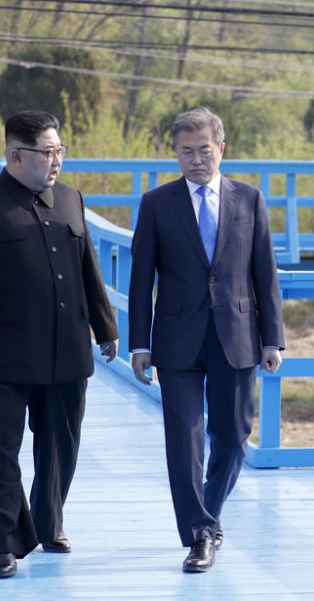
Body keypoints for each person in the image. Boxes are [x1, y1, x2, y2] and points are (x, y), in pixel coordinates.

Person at [0, 110, 119, 578]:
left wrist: (106, 328)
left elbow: (88, 272)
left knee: (61, 445)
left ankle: (47, 522)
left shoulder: (71, 200)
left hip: (66, 349)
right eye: (47, 151)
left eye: (60, 149)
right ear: (17, 156)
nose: (56, 159)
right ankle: (1, 543)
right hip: (1, 351)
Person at [128, 107, 284, 573]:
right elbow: (140, 280)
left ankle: (209, 517)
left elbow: (264, 273)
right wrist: (140, 343)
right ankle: (198, 536)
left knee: (234, 437)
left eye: (203, 150)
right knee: (184, 439)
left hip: (236, 336)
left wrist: (273, 339)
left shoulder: (249, 199)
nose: (195, 159)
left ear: (221, 149)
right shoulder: (157, 203)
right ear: (175, 154)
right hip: (176, 338)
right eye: (185, 151)